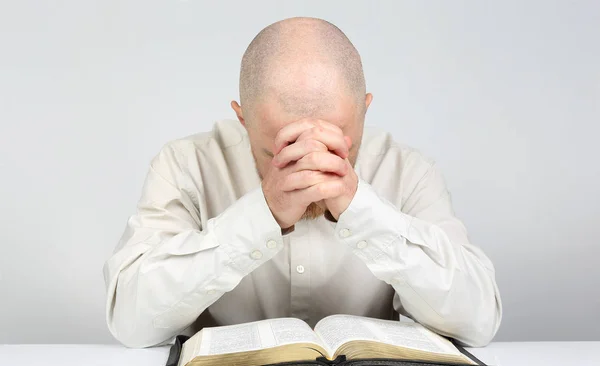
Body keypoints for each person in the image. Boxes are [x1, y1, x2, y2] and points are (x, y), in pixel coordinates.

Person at [103, 17, 502, 348]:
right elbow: (131, 322)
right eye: (281, 150)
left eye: (337, 147)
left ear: (365, 109)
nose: (310, 171)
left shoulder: (409, 171)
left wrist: (361, 208)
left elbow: (478, 320)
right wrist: (262, 215)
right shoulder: (185, 165)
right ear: (242, 119)